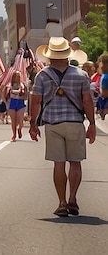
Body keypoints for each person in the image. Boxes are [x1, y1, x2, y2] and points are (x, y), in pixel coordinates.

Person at [29, 36, 96, 217]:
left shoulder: (42, 75)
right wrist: (92, 124)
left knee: (59, 164)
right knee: (75, 162)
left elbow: (36, 101)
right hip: (75, 122)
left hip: (53, 124)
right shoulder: (81, 75)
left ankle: (62, 202)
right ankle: (73, 199)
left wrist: (33, 123)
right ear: (67, 54)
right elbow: (87, 101)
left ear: (50, 56)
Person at [5, 71, 27, 141]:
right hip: (12, 102)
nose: (17, 77)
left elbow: (23, 92)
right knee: (13, 121)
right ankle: (14, 135)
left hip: (20, 103)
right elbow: (6, 93)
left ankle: (19, 129)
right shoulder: (10, 85)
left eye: (19, 76)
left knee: (20, 121)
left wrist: (15, 92)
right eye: (16, 76)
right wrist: (6, 102)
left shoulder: (22, 85)